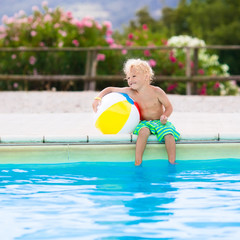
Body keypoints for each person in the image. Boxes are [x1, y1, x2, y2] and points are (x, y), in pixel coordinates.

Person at [92, 58, 180, 165]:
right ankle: (138, 161)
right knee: (143, 132)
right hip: (144, 123)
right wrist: (98, 98)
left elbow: (169, 107)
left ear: (146, 76)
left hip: (159, 121)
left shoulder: (157, 92)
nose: (130, 80)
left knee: (169, 135)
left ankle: (172, 162)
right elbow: (110, 89)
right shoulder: (131, 92)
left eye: (134, 76)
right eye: (128, 77)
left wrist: (165, 116)